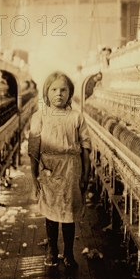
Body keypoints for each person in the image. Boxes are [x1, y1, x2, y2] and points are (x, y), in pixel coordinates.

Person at [28, 72, 91, 268]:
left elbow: (86, 148)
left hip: (71, 169)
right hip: (49, 169)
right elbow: (33, 150)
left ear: (70, 93)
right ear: (46, 92)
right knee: (51, 211)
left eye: (63, 90)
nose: (59, 94)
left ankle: (69, 253)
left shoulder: (76, 117)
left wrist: (86, 176)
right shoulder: (39, 117)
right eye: (54, 89)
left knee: (69, 213)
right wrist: (34, 177)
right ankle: (52, 250)